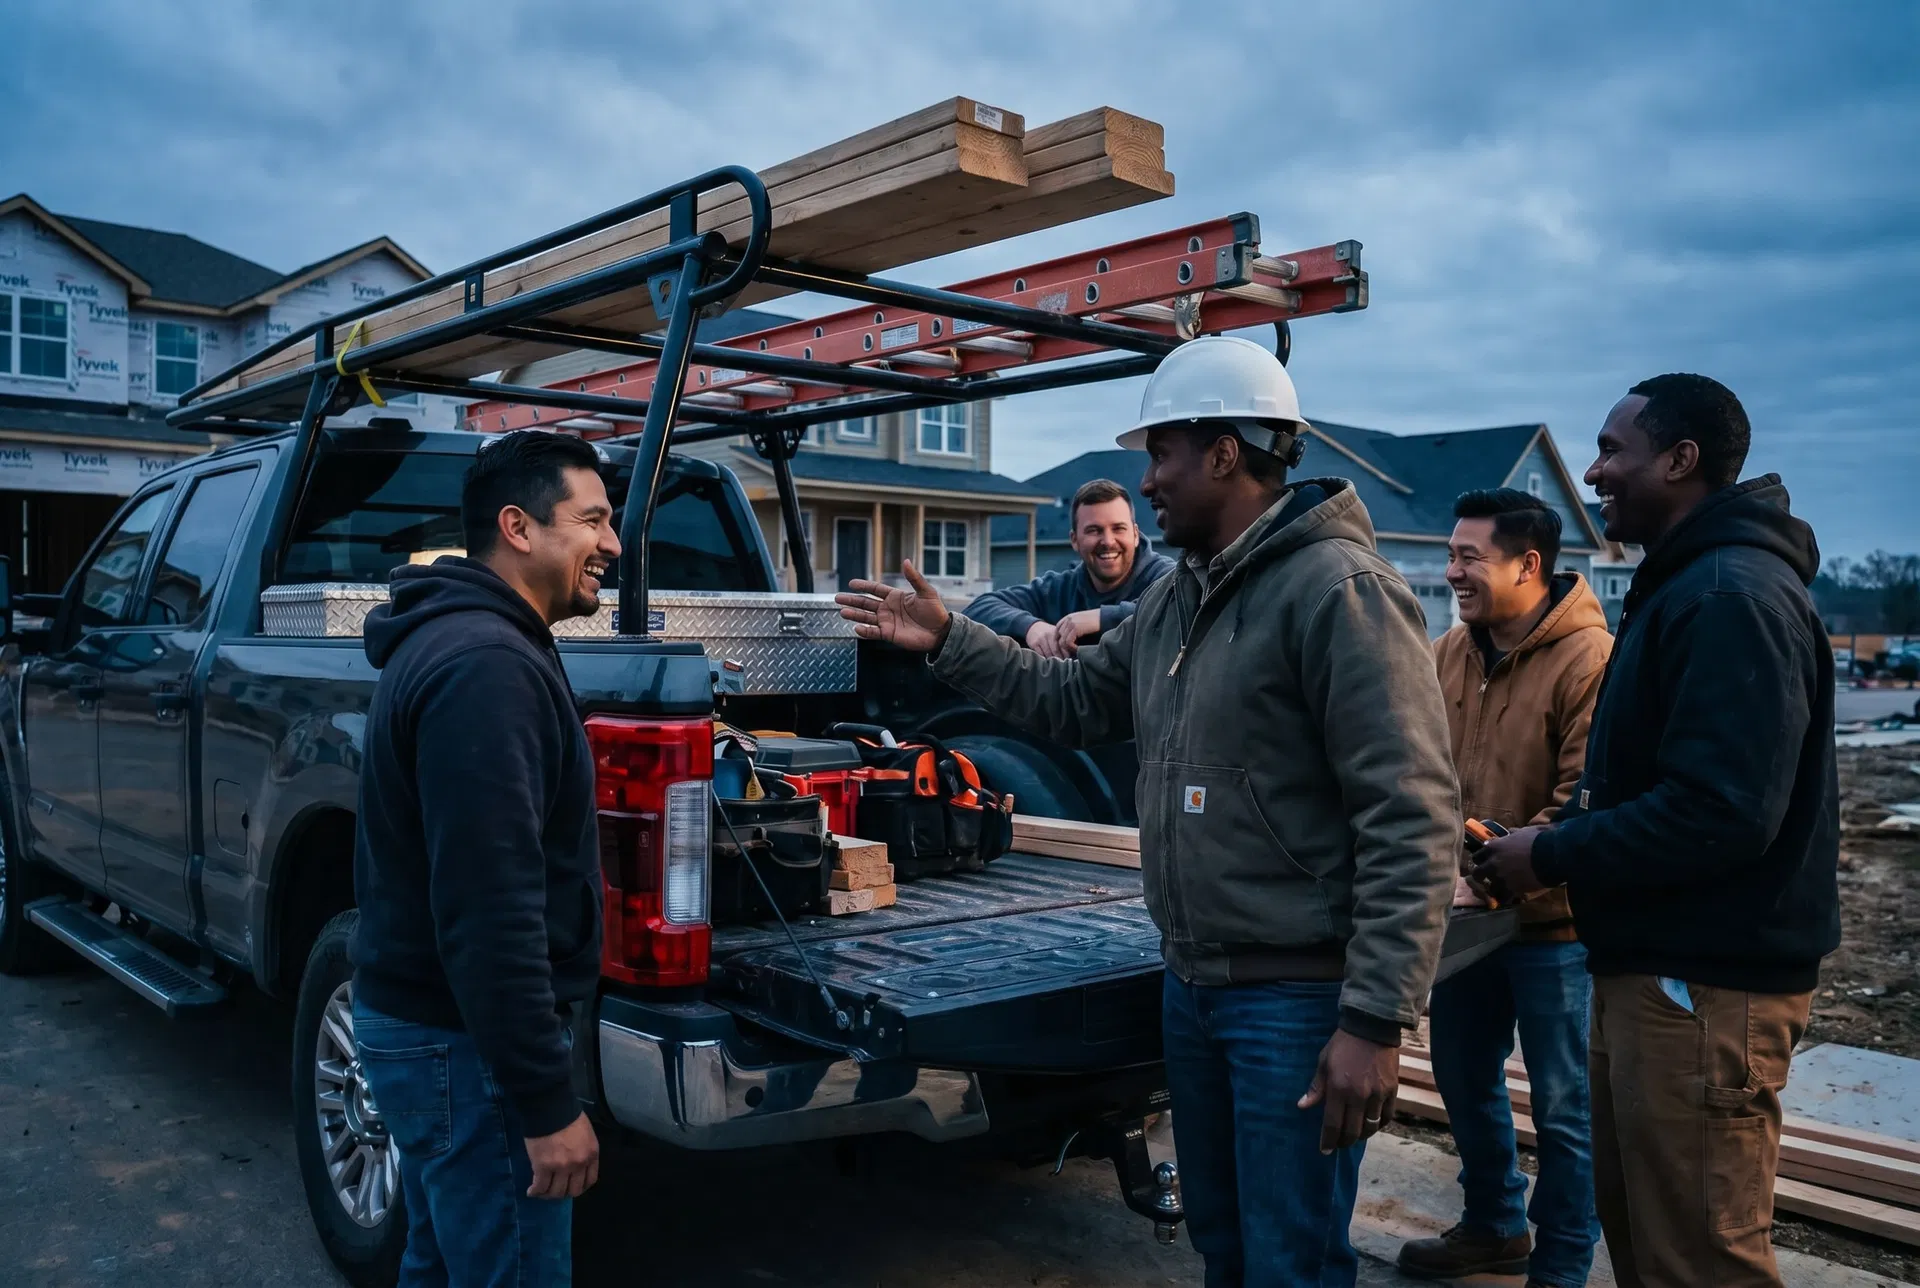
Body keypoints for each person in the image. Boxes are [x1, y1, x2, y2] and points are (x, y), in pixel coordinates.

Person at [838, 335, 1458, 1287]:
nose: (1147, 480)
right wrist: (951, 640)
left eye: (1161, 453)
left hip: (1294, 999)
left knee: (1292, 1259)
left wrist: (1375, 1021)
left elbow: (1411, 813)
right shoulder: (1180, 601)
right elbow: (1073, 702)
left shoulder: (1340, 593)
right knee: (1226, 1241)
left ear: (1224, 452)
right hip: (1195, 985)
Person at [1472, 374, 1840, 1288]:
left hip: (1707, 988)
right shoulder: (1685, 586)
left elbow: (1721, 812)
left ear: (1681, 461)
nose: (1594, 473)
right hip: (1660, 972)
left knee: (1701, 1260)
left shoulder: (1727, 596)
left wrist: (1547, 853)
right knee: (1645, 1240)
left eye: (1611, 451)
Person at [351, 430, 618, 1286]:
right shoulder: (485, 667)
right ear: (518, 526)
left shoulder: (474, 641)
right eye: (593, 520)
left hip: (439, 1039)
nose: (613, 544)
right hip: (464, 1053)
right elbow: (489, 904)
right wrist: (545, 1101)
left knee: (437, 1264)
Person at [1396, 490, 1611, 1288]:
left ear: (1529, 566)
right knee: (1461, 1074)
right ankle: (1493, 1225)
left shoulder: (1592, 660)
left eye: (1468, 558)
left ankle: (1559, 1269)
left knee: (1564, 1108)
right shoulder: (1450, 650)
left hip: (1556, 928)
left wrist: (1483, 874)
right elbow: (1418, 773)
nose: (1451, 572)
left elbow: (1586, 796)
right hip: (1463, 921)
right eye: (1451, 555)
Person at [965, 477, 1176, 658]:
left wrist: (1100, 618)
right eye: (1094, 531)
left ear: (1135, 534)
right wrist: (1030, 626)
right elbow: (980, 608)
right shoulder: (1060, 589)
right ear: (1074, 540)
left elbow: (1179, 609)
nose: (1108, 541)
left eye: (1118, 528)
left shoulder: (1165, 576)